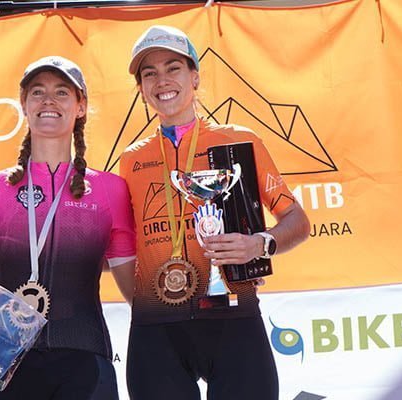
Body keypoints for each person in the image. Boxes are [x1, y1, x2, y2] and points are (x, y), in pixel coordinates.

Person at [0, 56, 136, 400]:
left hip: (84, 360)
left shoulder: (111, 190)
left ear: (80, 107)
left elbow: (134, 292)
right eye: (37, 92)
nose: (48, 100)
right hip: (1, 361)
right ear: (24, 104)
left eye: (61, 92)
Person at [119, 26, 311, 400]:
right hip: (157, 329)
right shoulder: (130, 160)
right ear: (141, 89)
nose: (162, 80)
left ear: (194, 77)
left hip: (233, 317)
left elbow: (298, 222)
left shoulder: (239, 141)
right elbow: (120, 249)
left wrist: (259, 244)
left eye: (173, 68)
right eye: (149, 73)